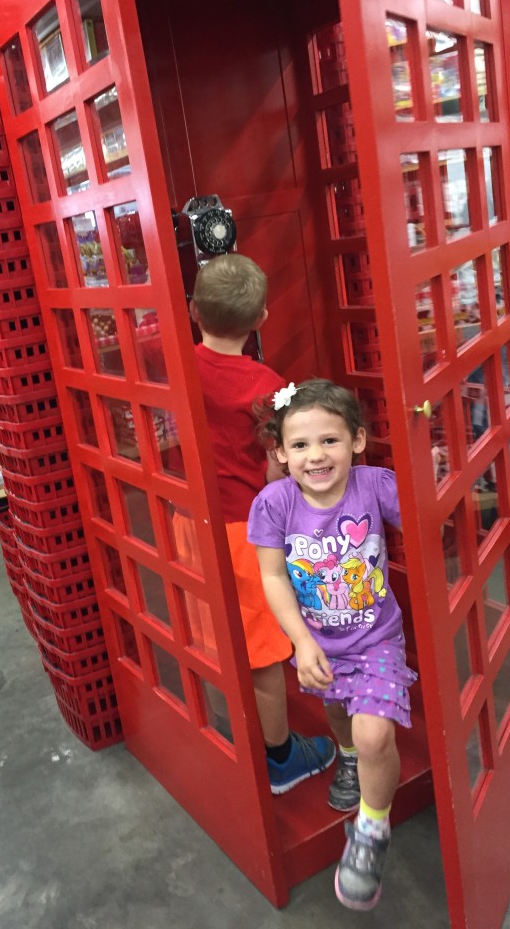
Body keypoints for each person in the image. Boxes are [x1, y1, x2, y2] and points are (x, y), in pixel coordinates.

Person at [248, 379, 417, 911]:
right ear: (280, 452)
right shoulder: (273, 504)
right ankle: (344, 757)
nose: (316, 455)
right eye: (299, 445)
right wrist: (299, 640)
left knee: (374, 735)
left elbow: (425, 513)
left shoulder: (374, 486)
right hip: (317, 643)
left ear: (358, 441)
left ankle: (371, 830)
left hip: (376, 638)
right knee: (342, 719)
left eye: (330, 441)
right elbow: (273, 577)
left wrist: (431, 468)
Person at [180, 253, 335, 794]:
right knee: (264, 652)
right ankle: (278, 757)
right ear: (262, 318)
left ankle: (227, 731)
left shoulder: (178, 366)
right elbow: (279, 465)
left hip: (188, 519)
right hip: (245, 528)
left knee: (217, 637)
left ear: (194, 311)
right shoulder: (272, 386)